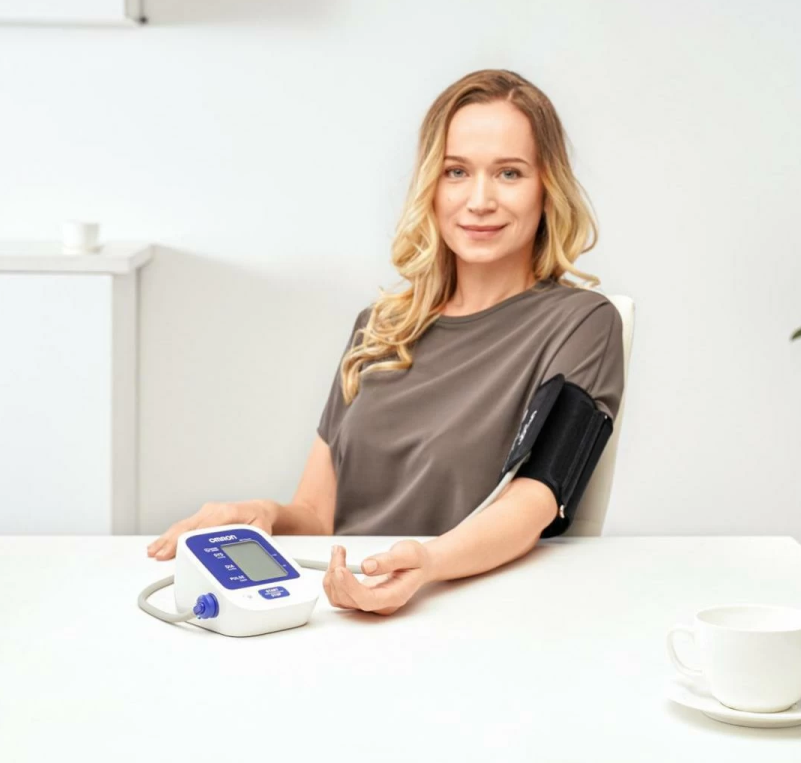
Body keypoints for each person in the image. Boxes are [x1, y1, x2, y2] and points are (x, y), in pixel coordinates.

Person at [147, 68, 625, 616]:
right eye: (456, 171)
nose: (479, 200)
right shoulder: (379, 328)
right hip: (343, 609)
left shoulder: (582, 323)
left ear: (547, 186)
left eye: (509, 173)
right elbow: (318, 517)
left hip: (470, 610)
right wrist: (265, 516)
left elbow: (537, 499)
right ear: (431, 186)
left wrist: (427, 565)